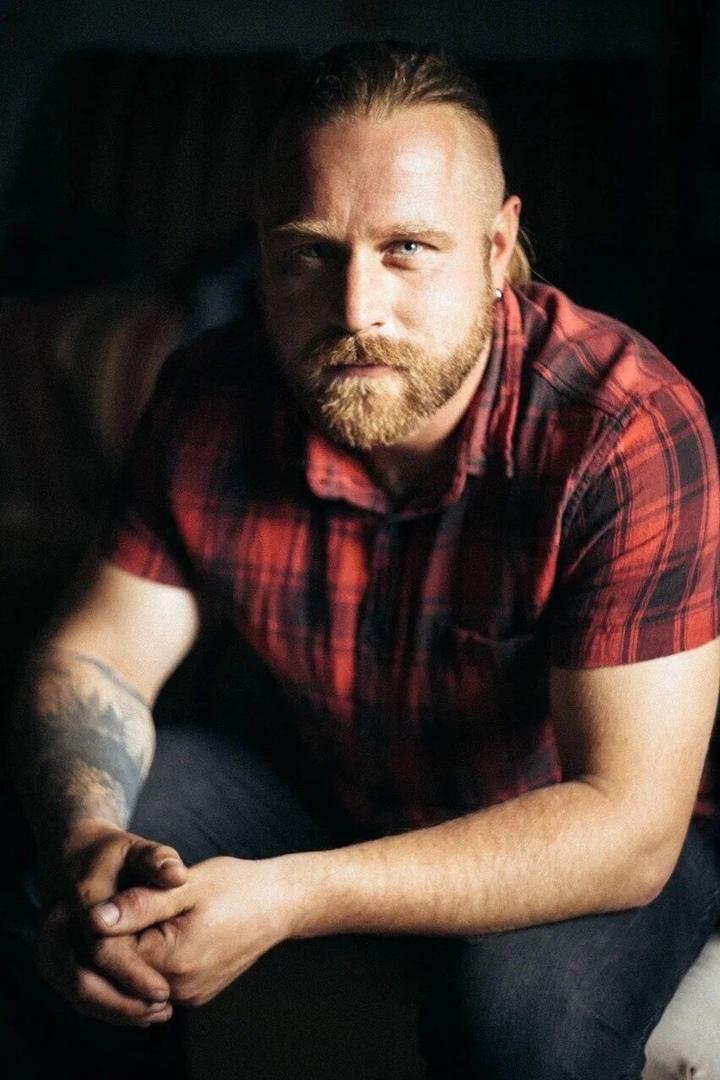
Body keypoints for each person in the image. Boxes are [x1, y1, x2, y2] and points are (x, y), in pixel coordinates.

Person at [11, 40, 720, 1079]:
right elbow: (98, 656)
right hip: (331, 793)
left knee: (524, 1015)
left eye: (408, 249)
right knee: (74, 876)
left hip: (569, 834)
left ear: (497, 247)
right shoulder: (209, 395)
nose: (355, 311)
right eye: (310, 253)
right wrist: (83, 838)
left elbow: (628, 826)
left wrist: (294, 896)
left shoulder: (624, 430)